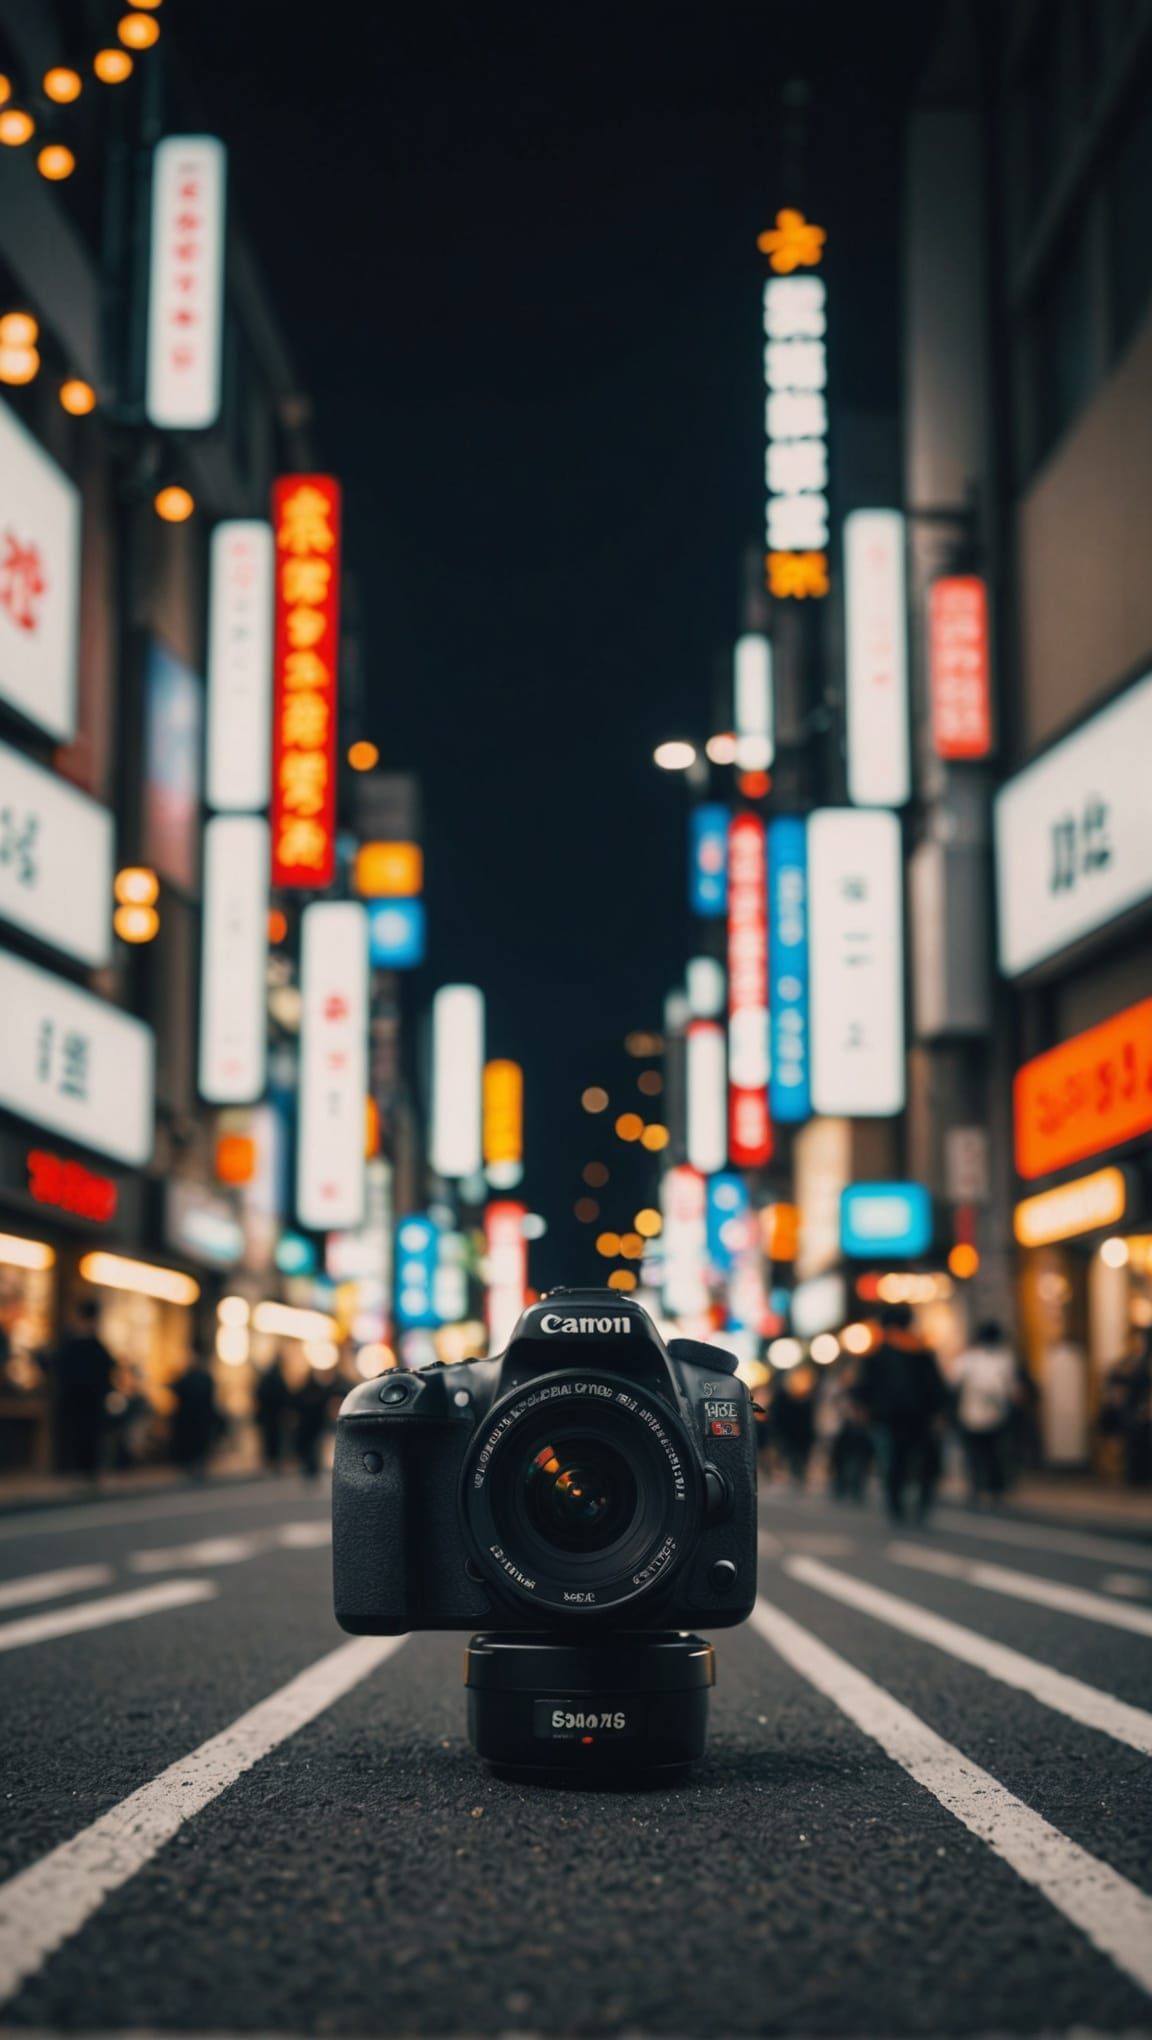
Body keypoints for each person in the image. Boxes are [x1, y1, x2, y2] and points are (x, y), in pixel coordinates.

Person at [855, 1302, 948, 1524]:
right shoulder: (922, 1350)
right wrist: (939, 1412)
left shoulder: (878, 1353)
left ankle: (896, 1507)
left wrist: (866, 1410)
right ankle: (922, 1504)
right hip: (921, 1417)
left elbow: (865, 1386)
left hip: (889, 1418)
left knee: (894, 1462)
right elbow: (936, 1385)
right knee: (925, 1462)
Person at [952, 1319, 1017, 1505]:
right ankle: (988, 1488)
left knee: (981, 1454)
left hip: (981, 1414)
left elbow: (954, 1383)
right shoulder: (1003, 1358)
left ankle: (982, 1487)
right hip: (987, 1414)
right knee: (990, 1454)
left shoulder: (969, 1359)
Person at [52, 1298, 116, 1478]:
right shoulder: (75, 1344)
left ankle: (85, 1471)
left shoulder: (92, 1347)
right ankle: (75, 1470)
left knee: (87, 1437)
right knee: (77, 1435)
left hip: (89, 1403)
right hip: (77, 1402)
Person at [170, 1347, 220, 1481]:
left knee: (192, 1443)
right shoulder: (205, 1378)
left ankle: (193, 1467)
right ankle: (199, 1467)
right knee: (200, 1444)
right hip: (202, 1418)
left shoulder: (187, 1378)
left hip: (190, 1418)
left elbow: (177, 1390)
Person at [294, 1365, 337, 1478]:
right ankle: (311, 1467)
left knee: (311, 1446)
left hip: (310, 1424)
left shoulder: (309, 1390)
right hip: (313, 1424)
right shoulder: (318, 1389)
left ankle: (311, 1467)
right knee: (312, 1446)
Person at [255, 1354, 293, 1473]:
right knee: (274, 1438)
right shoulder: (277, 1377)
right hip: (274, 1415)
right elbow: (283, 1395)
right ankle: (273, 1461)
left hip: (269, 1414)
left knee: (269, 1438)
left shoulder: (268, 1377)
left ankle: (270, 1461)